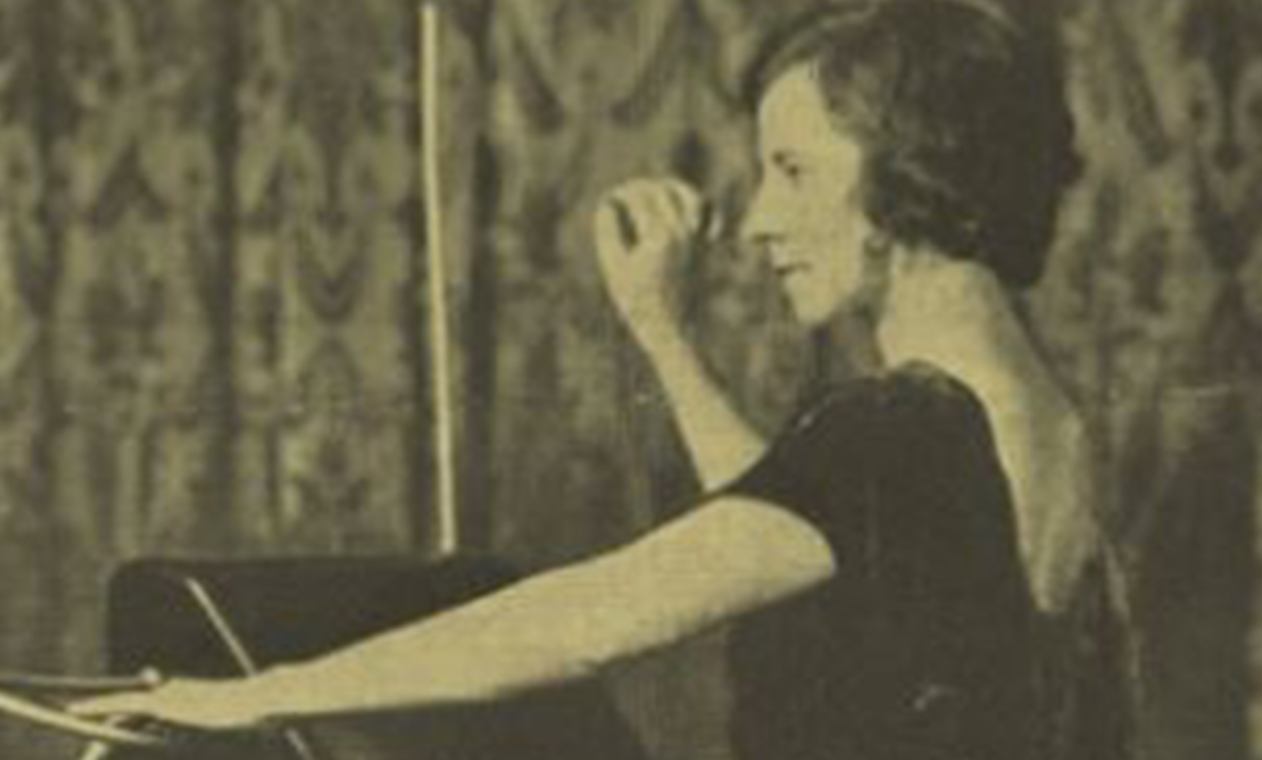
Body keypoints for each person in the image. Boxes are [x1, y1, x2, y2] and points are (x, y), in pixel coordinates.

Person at [75, 1, 1114, 757]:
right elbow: (792, 525)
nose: (759, 219)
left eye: (792, 169)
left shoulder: (906, 423)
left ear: (906, 164)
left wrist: (254, 694)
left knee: (218, 627)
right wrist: (660, 325)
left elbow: (593, 620)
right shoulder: (1023, 411)